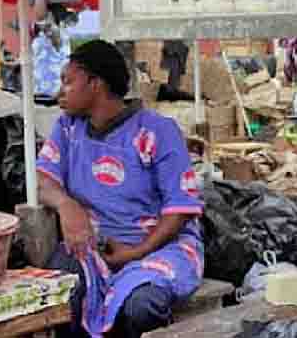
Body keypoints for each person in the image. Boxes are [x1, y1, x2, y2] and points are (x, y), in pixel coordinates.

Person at [39, 40, 203, 338]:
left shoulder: (157, 131)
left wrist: (135, 252)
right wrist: (66, 205)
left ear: (95, 84)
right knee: (62, 291)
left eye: (68, 81)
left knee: (141, 307)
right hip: (92, 249)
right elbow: (44, 180)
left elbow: (179, 209)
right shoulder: (67, 128)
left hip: (158, 249)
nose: (60, 91)